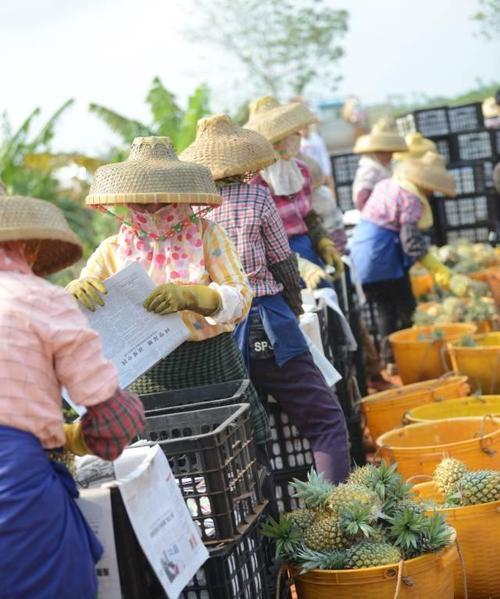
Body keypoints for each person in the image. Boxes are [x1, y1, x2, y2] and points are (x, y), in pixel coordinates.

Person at [66, 136, 271, 449]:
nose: (149, 207)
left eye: (159, 198)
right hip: (148, 379)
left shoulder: (207, 235)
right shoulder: (113, 249)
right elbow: (78, 302)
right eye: (140, 200)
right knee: (170, 463)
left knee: (233, 454)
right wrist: (75, 289)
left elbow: (241, 297)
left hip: (211, 366)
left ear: (179, 195)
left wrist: (193, 297)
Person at [181, 114, 350, 483]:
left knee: (248, 435)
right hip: (265, 320)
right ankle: (338, 501)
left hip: (217, 334)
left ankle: (268, 523)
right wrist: (293, 307)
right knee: (324, 419)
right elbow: (282, 261)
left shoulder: (191, 210)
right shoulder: (258, 196)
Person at [0, 190, 145, 598]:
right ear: (26, 245)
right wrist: (82, 437)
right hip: (13, 481)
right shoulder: (38, 299)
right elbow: (114, 420)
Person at [349, 152, 459, 364]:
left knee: (385, 307)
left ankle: (389, 360)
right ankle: (407, 358)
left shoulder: (389, 183)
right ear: (426, 186)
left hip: (363, 251)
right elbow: (411, 242)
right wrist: (437, 268)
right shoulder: (411, 199)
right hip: (381, 254)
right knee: (404, 308)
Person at [244, 96, 345, 283]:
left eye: (291, 133)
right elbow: (257, 237)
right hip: (273, 260)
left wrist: (324, 242)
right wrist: (300, 266)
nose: (290, 140)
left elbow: (307, 215)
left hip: (305, 244)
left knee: (327, 294)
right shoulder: (253, 182)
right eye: (279, 137)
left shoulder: (301, 170)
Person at [352, 120, 408, 211]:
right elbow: (361, 201)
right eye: (381, 152)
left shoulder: (390, 167)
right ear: (372, 152)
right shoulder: (369, 170)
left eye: (389, 152)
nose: (386, 156)